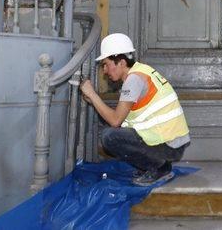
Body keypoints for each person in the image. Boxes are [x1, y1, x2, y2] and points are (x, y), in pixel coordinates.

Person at [80, 33, 190, 186]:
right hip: (170, 142)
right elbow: (122, 118)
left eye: (106, 64)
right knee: (112, 132)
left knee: (109, 137)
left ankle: (159, 167)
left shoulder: (134, 80)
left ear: (121, 62)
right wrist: (93, 100)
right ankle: (154, 164)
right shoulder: (141, 71)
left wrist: (92, 94)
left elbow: (115, 121)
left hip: (168, 145)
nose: (104, 70)